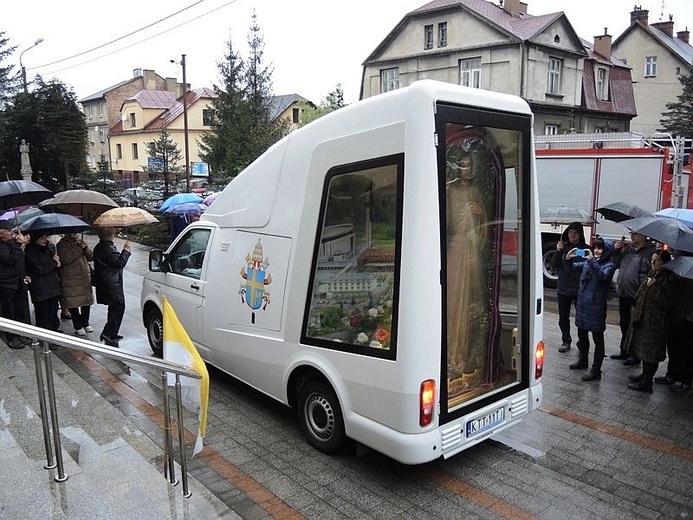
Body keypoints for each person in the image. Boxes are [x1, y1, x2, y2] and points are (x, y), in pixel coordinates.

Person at [626, 250, 678, 393]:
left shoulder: (669, 278)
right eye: (652, 260)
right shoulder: (652, 274)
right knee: (643, 350)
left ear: (665, 263)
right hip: (644, 318)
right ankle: (644, 375)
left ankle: (647, 382)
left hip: (656, 322)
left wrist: (654, 287)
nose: (654, 263)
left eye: (658, 260)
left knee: (651, 352)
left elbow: (667, 302)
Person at [565, 237, 616, 381]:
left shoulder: (609, 266)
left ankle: (596, 370)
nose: (597, 251)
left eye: (600, 248)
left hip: (596, 307)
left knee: (597, 339)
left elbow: (602, 276)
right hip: (582, 305)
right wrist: (568, 258)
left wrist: (592, 260)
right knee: (582, 335)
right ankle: (583, 360)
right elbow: (573, 269)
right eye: (595, 248)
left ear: (606, 251)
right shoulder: (589, 262)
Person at [610, 229, 656, 365]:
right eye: (631, 234)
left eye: (635, 234)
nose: (632, 236)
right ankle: (624, 349)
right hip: (624, 294)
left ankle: (635, 355)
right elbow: (615, 263)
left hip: (638, 296)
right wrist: (617, 251)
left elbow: (653, 272)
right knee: (624, 323)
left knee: (635, 326)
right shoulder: (628, 250)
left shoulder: (650, 252)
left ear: (643, 235)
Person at [551, 222, 589, 353]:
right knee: (563, 317)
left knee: (581, 319)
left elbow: (585, 266)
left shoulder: (585, 249)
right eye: (570, 232)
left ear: (580, 235)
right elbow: (554, 265)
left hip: (579, 289)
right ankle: (566, 340)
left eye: (575, 233)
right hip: (563, 287)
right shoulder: (563, 247)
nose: (572, 235)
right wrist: (558, 251)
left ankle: (582, 343)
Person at [93, 227, 131, 347]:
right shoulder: (107, 248)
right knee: (119, 306)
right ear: (111, 234)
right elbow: (120, 263)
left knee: (114, 307)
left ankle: (112, 333)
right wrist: (126, 251)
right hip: (111, 284)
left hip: (106, 283)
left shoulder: (100, 247)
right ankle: (108, 333)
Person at [657, 271, 693, 392]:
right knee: (673, 347)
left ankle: (684, 379)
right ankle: (672, 373)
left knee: (686, 350)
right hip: (675, 315)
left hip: (688, 319)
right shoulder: (680, 273)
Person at [0, 220, 32, 349]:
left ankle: (22, 333)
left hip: (18, 280)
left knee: (21, 309)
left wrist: (23, 243)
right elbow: (10, 258)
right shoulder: (2, 246)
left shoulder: (11, 243)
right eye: (8, 231)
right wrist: (18, 245)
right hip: (6, 283)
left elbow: (19, 259)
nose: (11, 233)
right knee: (10, 311)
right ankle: (12, 337)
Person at [57, 233, 94, 336]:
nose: (74, 234)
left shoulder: (81, 241)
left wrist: (85, 247)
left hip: (84, 277)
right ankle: (78, 325)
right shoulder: (62, 244)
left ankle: (85, 323)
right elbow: (65, 258)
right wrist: (78, 249)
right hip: (70, 278)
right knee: (73, 302)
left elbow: (91, 257)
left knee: (86, 300)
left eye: (76, 232)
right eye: (72, 232)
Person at [24, 233, 62, 334]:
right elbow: (40, 269)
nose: (45, 240)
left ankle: (54, 330)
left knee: (53, 311)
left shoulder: (46, 248)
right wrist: (54, 262)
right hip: (41, 289)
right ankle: (46, 336)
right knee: (44, 314)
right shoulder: (30, 251)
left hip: (52, 287)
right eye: (42, 238)